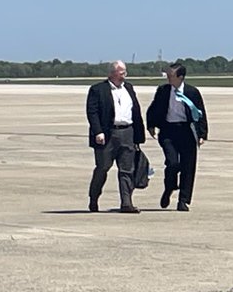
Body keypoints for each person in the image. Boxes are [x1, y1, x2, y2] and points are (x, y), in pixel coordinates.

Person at [85, 61, 146, 213]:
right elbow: (92, 112)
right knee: (103, 168)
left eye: (125, 72)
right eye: (121, 72)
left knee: (127, 170)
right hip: (107, 134)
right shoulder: (98, 89)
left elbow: (136, 111)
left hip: (127, 132)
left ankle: (126, 202)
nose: (124, 75)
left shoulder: (129, 88)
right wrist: (98, 131)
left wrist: (139, 135)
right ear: (112, 73)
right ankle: (94, 197)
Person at [146, 62, 208, 212]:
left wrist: (202, 134)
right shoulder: (163, 90)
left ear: (180, 77)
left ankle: (183, 200)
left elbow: (200, 113)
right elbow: (153, 109)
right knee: (172, 163)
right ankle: (169, 187)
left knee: (188, 166)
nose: (168, 78)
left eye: (171, 76)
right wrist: (151, 125)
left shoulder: (192, 92)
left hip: (187, 131)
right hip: (168, 131)